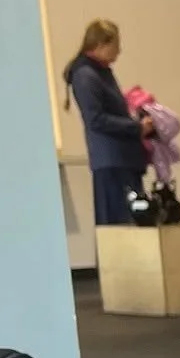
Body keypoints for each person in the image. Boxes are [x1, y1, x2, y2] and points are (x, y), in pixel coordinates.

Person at [63, 18, 153, 226]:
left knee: (132, 222)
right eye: (115, 45)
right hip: (112, 162)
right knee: (118, 226)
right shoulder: (86, 76)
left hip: (122, 159)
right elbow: (96, 119)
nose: (119, 51)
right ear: (100, 45)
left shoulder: (100, 73)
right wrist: (136, 127)